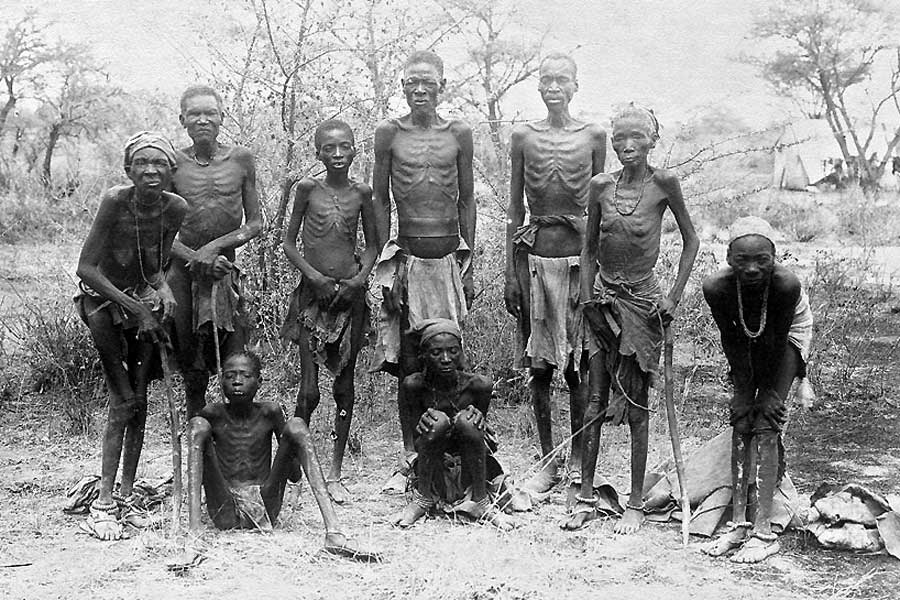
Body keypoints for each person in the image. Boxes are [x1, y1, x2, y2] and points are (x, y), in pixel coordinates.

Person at [562, 104, 699, 534]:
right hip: (601, 301)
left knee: (638, 405)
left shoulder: (665, 184)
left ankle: (636, 503)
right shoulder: (601, 185)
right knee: (594, 400)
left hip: (643, 303)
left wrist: (673, 298)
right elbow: (587, 249)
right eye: (620, 136)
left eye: (637, 136)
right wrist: (587, 299)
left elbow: (691, 243)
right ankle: (586, 495)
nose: (627, 145)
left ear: (653, 140)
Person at [370, 50, 475, 490]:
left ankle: (451, 451)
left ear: (441, 86)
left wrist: (468, 261)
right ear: (402, 87)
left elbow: (467, 198)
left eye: (427, 82)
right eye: (411, 82)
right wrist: (383, 269)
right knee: (410, 366)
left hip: (448, 257)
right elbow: (379, 199)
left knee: (448, 356)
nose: (419, 89)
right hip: (408, 258)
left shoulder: (460, 133)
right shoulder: (389, 133)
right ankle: (411, 457)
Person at [75, 131, 187, 540]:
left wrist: (163, 289)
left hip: (140, 303)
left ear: (172, 172)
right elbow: (86, 269)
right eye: (142, 163)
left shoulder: (176, 207)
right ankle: (102, 504)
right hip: (103, 301)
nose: (151, 171)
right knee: (122, 399)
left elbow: (155, 264)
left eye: (159, 163)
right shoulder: (114, 201)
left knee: (139, 401)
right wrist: (138, 307)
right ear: (128, 170)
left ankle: (124, 497)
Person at [505, 52, 606, 497]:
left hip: (579, 261)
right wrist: (511, 272)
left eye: (561, 79)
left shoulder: (594, 135)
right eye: (545, 79)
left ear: (576, 85)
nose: (552, 87)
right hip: (535, 259)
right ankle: (548, 460)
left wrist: (597, 269)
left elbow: (602, 203)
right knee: (541, 365)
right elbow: (514, 207)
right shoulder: (524, 136)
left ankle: (581, 458)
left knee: (580, 366)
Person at [187, 351, 382, 562]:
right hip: (224, 508)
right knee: (197, 425)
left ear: (259, 381)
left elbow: (293, 473)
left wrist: (290, 450)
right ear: (221, 380)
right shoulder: (212, 414)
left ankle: (334, 532)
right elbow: (201, 460)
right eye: (229, 376)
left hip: (266, 503)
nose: (236, 381)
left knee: (297, 425)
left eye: (245, 375)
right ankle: (194, 532)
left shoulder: (270, 412)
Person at [700, 216, 812, 563]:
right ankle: (737, 524)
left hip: (788, 336)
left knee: (766, 419)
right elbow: (733, 340)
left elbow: (777, 343)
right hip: (748, 341)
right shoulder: (716, 287)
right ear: (728, 258)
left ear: (774, 258)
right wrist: (742, 391)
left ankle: (763, 531)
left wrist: (768, 393)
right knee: (741, 420)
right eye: (741, 260)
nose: (751, 268)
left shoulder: (785, 285)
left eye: (761, 260)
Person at [281, 119, 378, 504]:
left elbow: (373, 244)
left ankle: (335, 471)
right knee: (308, 389)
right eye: (329, 148)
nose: (337, 155)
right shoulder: (307, 189)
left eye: (344, 147)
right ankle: (295, 462)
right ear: (317, 152)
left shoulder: (362, 192)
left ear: (356, 150)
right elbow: (289, 243)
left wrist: (359, 280)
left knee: (344, 385)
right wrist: (315, 277)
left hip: (349, 299)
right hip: (312, 297)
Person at [169, 85, 262, 418]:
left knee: (235, 364)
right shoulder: (172, 162)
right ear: (183, 119)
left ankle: (234, 448)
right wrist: (195, 257)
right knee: (192, 370)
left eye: (210, 113)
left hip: (226, 270)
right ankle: (198, 448)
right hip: (183, 272)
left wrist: (215, 247)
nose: (203, 120)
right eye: (195, 114)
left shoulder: (240, 158)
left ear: (222, 117)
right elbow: (161, 233)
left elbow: (254, 223)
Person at [392, 319, 512, 530]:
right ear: (424, 356)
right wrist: (428, 424)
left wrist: (473, 419)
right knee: (437, 422)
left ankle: (480, 500)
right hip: (433, 464)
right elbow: (416, 440)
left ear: (461, 352)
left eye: (453, 351)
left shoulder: (479, 386)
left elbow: (479, 436)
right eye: (436, 353)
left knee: (467, 420)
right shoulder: (414, 386)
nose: (446, 359)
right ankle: (423, 499)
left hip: (469, 462)